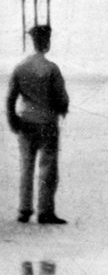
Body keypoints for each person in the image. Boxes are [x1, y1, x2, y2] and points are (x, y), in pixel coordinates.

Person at [6, 24, 69, 225]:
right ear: (46, 43)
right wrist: (62, 109)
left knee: (26, 165)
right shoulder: (51, 68)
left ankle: (24, 210)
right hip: (47, 122)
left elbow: (10, 98)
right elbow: (61, 97)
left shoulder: (20, 67)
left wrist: (12, 119)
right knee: (48, 167)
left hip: (25, 121)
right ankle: (45, 211)